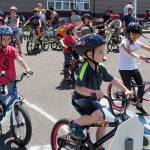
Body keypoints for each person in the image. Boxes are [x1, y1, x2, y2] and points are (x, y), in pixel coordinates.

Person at [69, 34, 133, 150]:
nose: (104, 54)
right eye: (100, 52)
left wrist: (126, 90)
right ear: (89, 54)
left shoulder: (101, 67)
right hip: (80, 99)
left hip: (92, 100)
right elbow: (78, 88)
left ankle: (99, 146)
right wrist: (93, 92)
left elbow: (113, 79)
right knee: (97, 115)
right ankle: (74, 125)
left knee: (103, 121)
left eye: (104, 51)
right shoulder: (84, 67)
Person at [118, 22, 150, 115]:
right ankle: (123, 109)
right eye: (133, 34)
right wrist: (140, 57)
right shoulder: (124, 42)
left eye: (137, 34)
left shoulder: (137, 42)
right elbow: (129, 51)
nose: (135, 36)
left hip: (133, 66)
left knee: (141, 85)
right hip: (123, 67)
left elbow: (148, 48)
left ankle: (139, 105)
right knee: (127, 89)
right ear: (128, 33)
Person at [0, 26, 33, 115]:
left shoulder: (11, 49)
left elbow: (19, 59)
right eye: (3, 39)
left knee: (13, 95)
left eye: (8, 39)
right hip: (0, 79)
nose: (6, 41)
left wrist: (27, 68)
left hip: (11, 78)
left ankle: (15, 116)